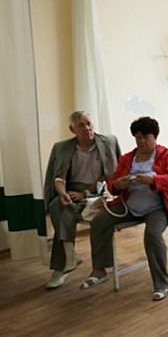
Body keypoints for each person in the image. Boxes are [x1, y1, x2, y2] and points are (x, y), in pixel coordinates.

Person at [80, 116, 168, 301]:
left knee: (152, 235)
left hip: (157, 207)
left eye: (146, 137)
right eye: (138, 137)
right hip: (130, 205)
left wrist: (154, 180)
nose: (141, 141)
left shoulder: (166, 155)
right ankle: (100, 269)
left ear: (155, 137)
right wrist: (118, 184)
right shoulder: (127, 158)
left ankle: (162, 283)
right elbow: (112, 184)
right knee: (99, 221)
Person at [43, 111, 121, 290]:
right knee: (59, 206)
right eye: (81, 125)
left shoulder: (108, 142)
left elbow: (110, 174)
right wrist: (63, 194)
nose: (87, 128)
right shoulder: (61, 148)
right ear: (73, 130)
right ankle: (69, 256)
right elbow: (58, 178)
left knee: (64, 215)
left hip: (97, 191)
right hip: (71, 189)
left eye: (88, 123)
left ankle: (64, 264)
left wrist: (85, 193)